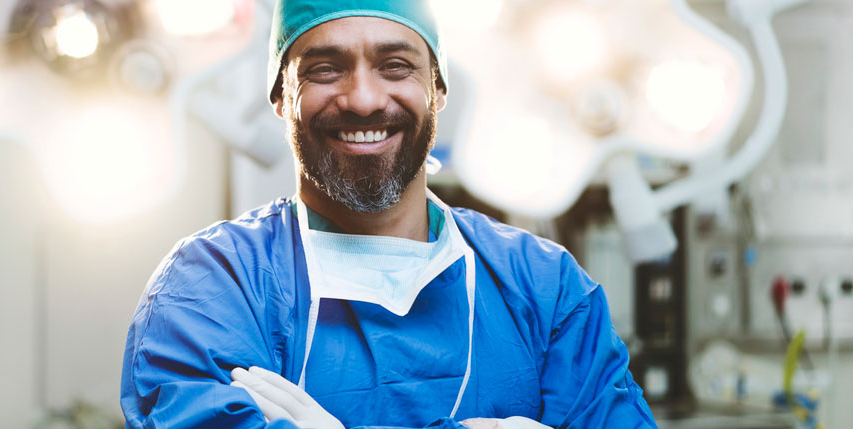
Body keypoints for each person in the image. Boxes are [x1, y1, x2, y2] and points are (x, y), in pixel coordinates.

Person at [119, 1, 657, 427]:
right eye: (325, 69)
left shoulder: (545, 290)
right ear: (281, 97)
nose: (364, 99)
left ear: (438, 89)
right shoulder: (214, 284)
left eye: (395, 65)